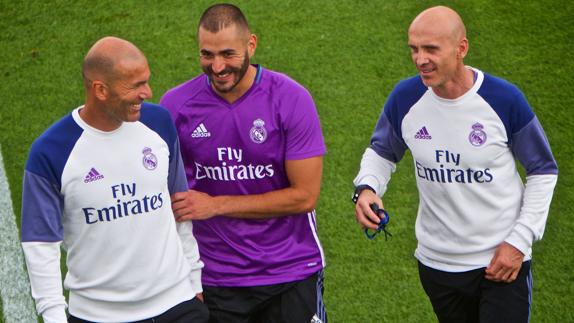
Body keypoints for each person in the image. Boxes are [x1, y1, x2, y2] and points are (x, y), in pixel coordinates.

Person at [352, 6, 558, 323]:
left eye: (431, 49)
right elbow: (382, 152)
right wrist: (366, 188)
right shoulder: (405, 98)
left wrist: (519, 241)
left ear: (461, 48)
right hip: (437, 265)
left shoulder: (504, 100)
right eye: (414, 49)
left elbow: (543, 170)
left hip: (501, 263)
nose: (420, 59)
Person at [21, 37, 209, 323]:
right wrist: (54, 318)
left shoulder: (158, 123)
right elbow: (40, 245)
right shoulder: (51, 152)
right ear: (100, 90)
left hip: (178, 305)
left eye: (146, 81)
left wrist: (194, 281)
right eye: (135, 85)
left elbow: (178, 206)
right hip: (99, 316)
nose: (147, 92)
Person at [160, 4, 328, 323]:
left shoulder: (291, 99)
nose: (218, 66)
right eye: (207, 54)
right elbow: (165, 191)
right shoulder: (177, 106)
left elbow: (305, 196)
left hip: (289, 271)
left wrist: (216, 205)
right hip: (215, 279)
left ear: (251, 44)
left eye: (228, 54)